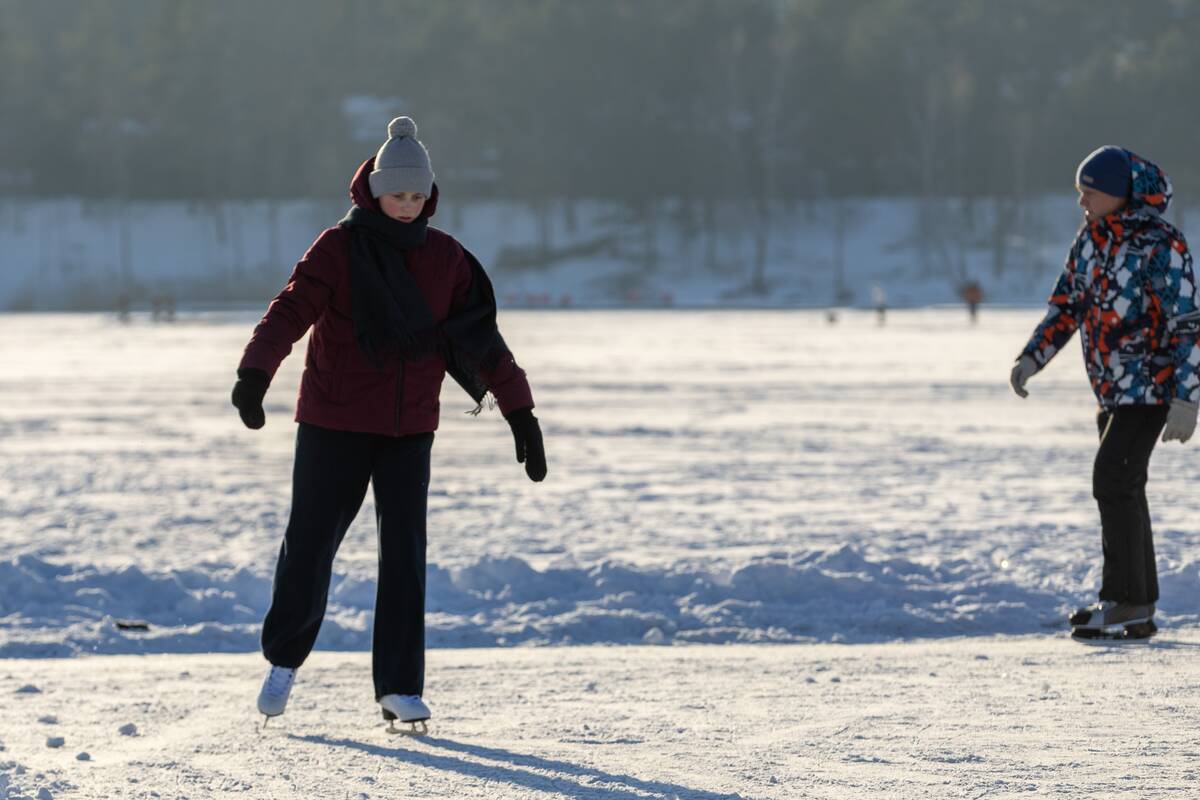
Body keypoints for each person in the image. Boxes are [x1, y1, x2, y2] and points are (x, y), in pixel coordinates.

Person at [231, 117, 547, 729]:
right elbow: (291, 309)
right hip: (334, 421)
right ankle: (284, 660)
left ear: (429, 195)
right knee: (311, 544)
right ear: (373, 191)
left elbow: (482, 341)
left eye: (415, 195)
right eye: (395, 194)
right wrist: (254, 374)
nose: (406, 206)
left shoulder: (447, 260)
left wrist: (521, 410)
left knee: (404, 553)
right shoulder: (338, 249)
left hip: (409, 430)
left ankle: (399, 687)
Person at [1010, 145, 1198, 639]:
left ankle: (1123, 600)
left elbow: (1188, 325)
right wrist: (1032, 357)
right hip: (1112, 390)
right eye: (1079, 192)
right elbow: (1066, 305)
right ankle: (1140, 607)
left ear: (1118, 193)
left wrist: (1187, 396)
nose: (1082, 201)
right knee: (1124, 488)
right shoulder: (1091, 240)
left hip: (1153, 388)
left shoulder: (1162, 245)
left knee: (1112, 480)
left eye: (1089, 192)